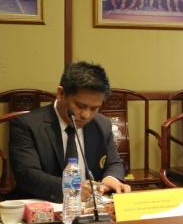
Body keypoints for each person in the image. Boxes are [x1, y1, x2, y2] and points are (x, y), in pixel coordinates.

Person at [10, 62, 131, 202]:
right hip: (43, 205)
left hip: (91, 206)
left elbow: (114, 163)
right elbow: (27, 175)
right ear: (61, 93)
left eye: (94, 108)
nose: (86, 115)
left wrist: (111, 179)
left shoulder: (102, 124)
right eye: (80, 106)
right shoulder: (27, 125)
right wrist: (71, 189)